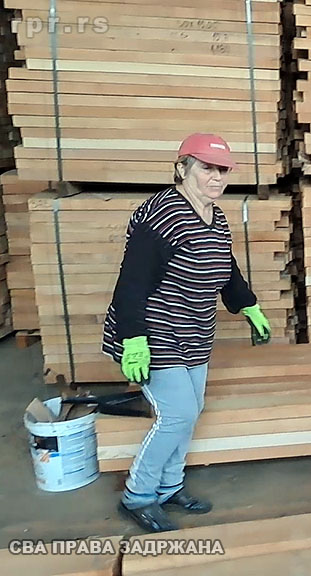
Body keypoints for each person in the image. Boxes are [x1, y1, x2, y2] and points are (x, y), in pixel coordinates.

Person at [101, 133, 272, 532]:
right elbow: (132, 281)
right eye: (206, 168)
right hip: (153, 330)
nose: (216, 177)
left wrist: (247, 304)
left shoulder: (216, 216)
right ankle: (138, 495)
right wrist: (133, 338)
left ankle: (169, 487)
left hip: (194, 329)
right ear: (182, 168)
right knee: (177, 413)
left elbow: (225, 266)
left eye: (223, 170)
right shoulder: (162, 215)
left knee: (190, 412)